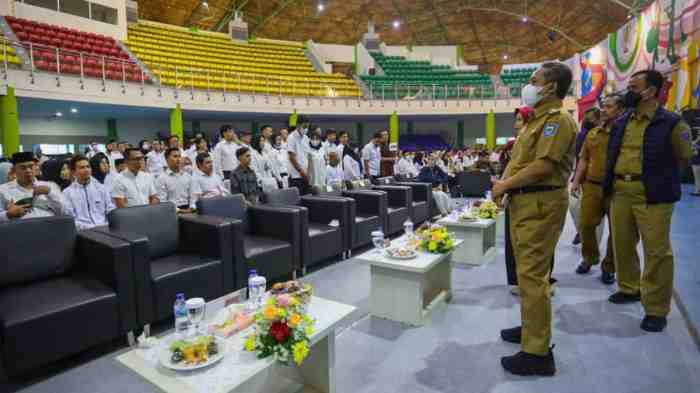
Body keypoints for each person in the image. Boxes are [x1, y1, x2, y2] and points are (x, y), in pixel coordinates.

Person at [492, 62, 576, 376]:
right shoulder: (535, 121)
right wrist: (503, 184)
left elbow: (543, 167)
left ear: (551, 86)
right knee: (527, 275)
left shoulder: (558, 121)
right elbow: (519, 161)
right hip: (525, 203)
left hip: (540, 204)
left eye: (533, 80)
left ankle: (537, 353)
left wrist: (504, 185)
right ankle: (531, 329)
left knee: (532, 276)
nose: (528, 85)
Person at [603, 69, 693, 332]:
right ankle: (629, 288)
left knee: (656, 252)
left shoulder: (672, 123)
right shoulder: (621, 122)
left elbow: (684, 156)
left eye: (633, 86)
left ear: (650, 91)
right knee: (622, 244)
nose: (627, 92)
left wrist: (658, 174)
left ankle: (655, 309)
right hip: (620, 191)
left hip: (652, 195)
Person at [571, 95, 624, 285]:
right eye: (603, 106)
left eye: (609, 107)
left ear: (620, 110)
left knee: (616, 231)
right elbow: (583, 159)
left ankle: (609, 267)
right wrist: (576, 181)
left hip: (617, 188)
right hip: (592, 186)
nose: (603, 110)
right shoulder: (593, 134)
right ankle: (589, 257)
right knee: (585, 225)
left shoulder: (624, 133)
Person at [569, 107, 602, 246]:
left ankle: (591, 249)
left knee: (596, 218)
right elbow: (580, 158)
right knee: (574, 207)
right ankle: (581, 231)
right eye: (586, 117)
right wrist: (576, 178)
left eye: (592, 117)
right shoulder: (582, 134)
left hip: (597, 180)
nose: (588, 120)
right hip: (581, 175)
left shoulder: (603, 133)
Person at [0, 152, 64, 221]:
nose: (28, 170)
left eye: (31, 166)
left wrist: (50, 193)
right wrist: (8, 214)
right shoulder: (3, 190)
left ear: (36, 167)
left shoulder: (50, 186)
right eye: (23, 168)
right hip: (21, 229)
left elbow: (65, 211)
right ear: (14, 170)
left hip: (50, 227)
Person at [62, 155, 115, 230]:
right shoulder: (67, 193)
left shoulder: (101, 188)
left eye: (88, 166)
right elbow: (70, 219)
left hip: (104, 229)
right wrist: (90, 228)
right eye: (82, 167)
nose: (86, 170)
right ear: (73, 172)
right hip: (83, 232)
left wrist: (107, 225)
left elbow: (111, 210)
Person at [155, 148, 194, 213]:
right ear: (167, 159)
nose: (178, 159)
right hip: (172, 211)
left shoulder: (187, 176)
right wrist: (180, 210)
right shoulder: (161, 178)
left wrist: (192, 207)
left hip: (189, 209)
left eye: (179, 156)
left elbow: (193, 196)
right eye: (175, 156)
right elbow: (163, 202)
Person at [287, 118, 312, 195]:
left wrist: (308, 172)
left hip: (306, 175)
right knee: (297, 200)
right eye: (304, 126)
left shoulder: (306, 138)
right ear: (298, 125)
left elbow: (308, 156)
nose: (306, 129)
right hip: (296, 176)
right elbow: (291, 157)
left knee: (307, 198)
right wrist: (301, 171)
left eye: (307, 127)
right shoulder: (291, 137)